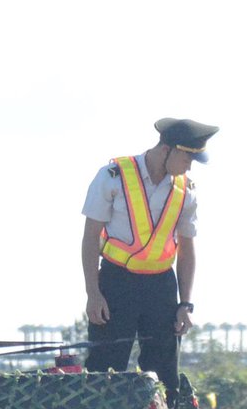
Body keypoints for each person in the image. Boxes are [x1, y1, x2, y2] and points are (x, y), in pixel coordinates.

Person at [80, 118, 215, 382]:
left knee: (164, 373)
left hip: (161, 287)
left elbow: (186, 249)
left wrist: (185, 304)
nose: (189, 167)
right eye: (187, 159)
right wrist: (93, 294)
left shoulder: (185, 190)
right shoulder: (113, 176)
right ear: (167, 150)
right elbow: (90, 238)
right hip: (116, 282)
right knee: (105, 371)